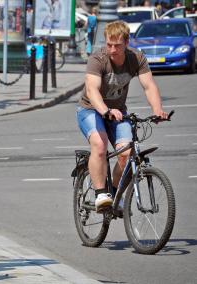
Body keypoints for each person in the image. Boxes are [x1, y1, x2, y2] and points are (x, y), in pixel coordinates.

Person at [76, 21, 168, 212]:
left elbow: (149, 86)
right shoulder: (97, 59)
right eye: (109, 44)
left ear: (127, 43)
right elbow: (92, 90)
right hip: (91, 110)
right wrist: (105, 111)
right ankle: (101, 193)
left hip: (118, 113)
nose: (112, 49)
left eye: (117, 45)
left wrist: (157, 109)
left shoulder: (136, 58)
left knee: (127, 154)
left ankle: (115, 193)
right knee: (99, 146)